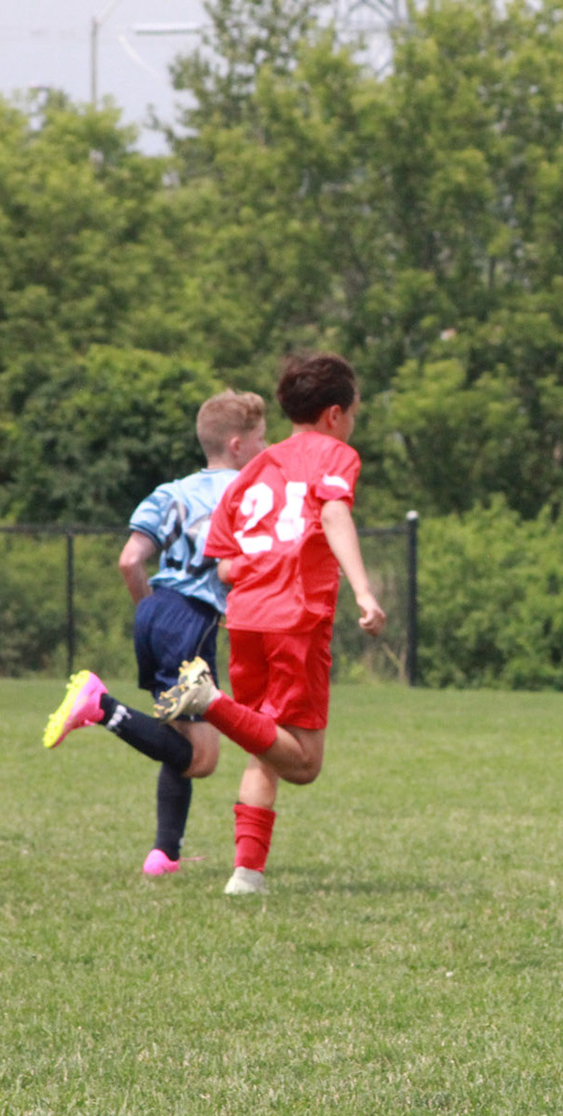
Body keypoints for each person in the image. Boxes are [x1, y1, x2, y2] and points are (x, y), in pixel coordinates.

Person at [154, 352, 386, 896]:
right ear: (334, 414)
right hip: (295, 617)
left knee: (268, 748)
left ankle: (246, 875)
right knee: (304, 764)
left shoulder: (256, 468)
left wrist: (267, 562)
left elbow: (225, 565)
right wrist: (363, 590)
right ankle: (210, 701)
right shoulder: (335, 454)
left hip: (247, 618)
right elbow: (333, 512)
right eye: (354, 413)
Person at [41, 390, 269, 875]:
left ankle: (164, 854)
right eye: (261, 439)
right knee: (201, 758)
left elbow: (130, 560)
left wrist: (153, 614)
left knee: (178, 732)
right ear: (237, 444)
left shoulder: (173, 491)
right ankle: (101, 706)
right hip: (192, 620)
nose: (265, 449)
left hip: (154, 611)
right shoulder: (248, 493)